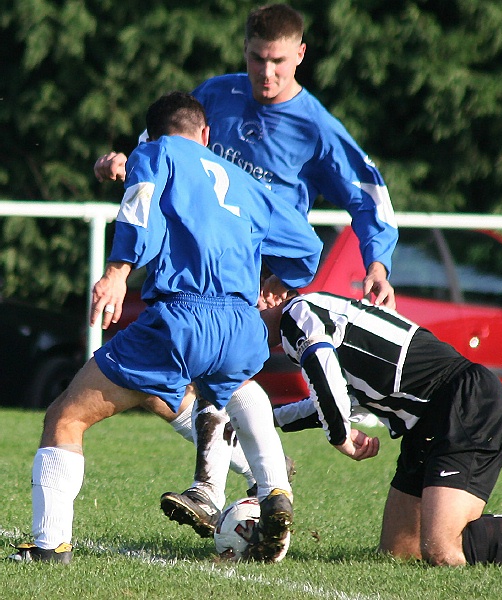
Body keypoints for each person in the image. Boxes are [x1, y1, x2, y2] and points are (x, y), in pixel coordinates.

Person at [93, 3, 399, 538]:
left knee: (208, 374)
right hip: (195, 257)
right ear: (245, 51)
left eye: (279, 61)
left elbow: (369, 192)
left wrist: (377, 258)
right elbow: (167, 142)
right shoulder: (218, 93)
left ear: (300, 55)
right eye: (258, 59)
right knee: (206, 377)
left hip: (259, 275)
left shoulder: (316, 128)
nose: (267, 72)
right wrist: (126, 159)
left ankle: (242, 483)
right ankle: (263, 481)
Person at [8, 91, 323, 564]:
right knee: (208, 394)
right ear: (206, 135)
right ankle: (266, 477)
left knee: (66, 417)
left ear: (153, 135)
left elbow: (141, 208)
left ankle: (50, 548)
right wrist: (281, 281)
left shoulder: (155, 153)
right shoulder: (245, 181)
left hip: (184, 318)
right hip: (242, 328)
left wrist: (117, 271)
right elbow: (307, 246)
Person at [258, 291, 502, 567]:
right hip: (430, 419)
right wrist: (262, 419)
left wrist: (339, 435)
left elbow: (323, 369)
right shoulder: (313, 317)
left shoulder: (298, 313)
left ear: (269, 294)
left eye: (243, 307)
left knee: (445, 550)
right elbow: (335, 396)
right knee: (400, 551)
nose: (238, 322)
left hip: (466, 402)